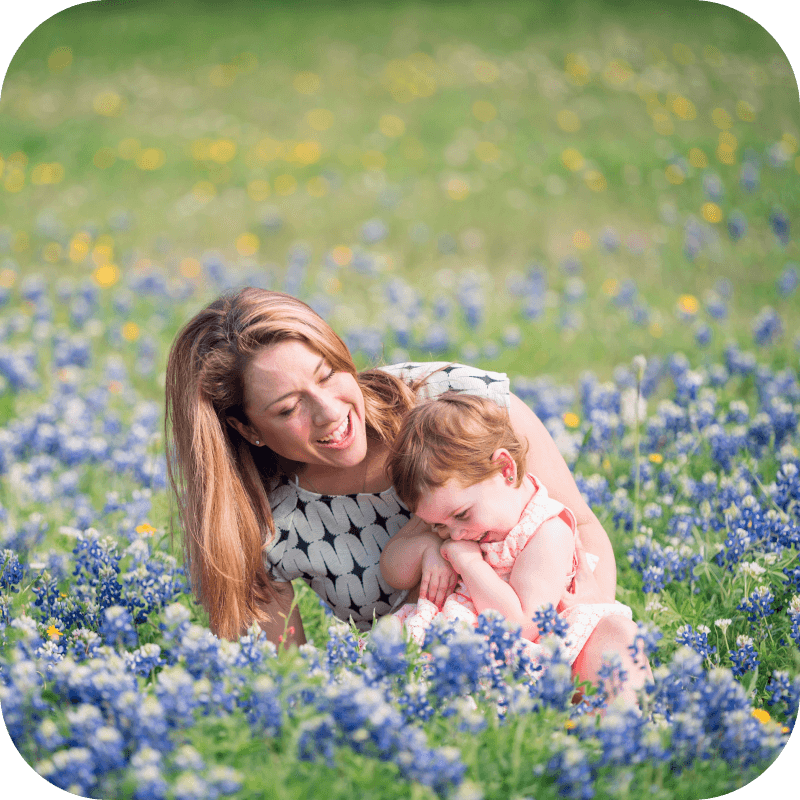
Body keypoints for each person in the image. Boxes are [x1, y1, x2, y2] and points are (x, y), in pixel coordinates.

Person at [164, 288, 625, 668]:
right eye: (288, 408)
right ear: (247, 429)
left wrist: (569, 642)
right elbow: (281, 676)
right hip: (415, 678)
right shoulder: (260, 517)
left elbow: (580, 527)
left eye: (327, 375)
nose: (329, 413)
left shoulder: (462, 409)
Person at [383, 393, 651, 705]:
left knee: (617, 644)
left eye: (460, 516)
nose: (454, 534)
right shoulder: (456, 512)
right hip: (469, 644)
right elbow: (392, 570)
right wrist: (429, 547)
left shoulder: (547, 529)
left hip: (536, 652)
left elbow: (521, 623)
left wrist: (469, 563)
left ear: (505, 469)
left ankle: (617, 732)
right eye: (437, 525)